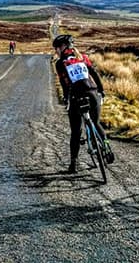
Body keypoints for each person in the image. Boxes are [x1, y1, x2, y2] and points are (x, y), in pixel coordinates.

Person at [52, 34, 111, 174]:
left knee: (76, 132)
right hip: (92, 93)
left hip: (76, 97)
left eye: (57, 48)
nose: (56, 51)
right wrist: (101, 91)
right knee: (96, 123)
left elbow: (64, 84)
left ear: (64, 47)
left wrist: (66, 99)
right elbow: (94, 74)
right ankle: (107, 148)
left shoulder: (60, 63)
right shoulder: (82, 57)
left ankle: (73, 164)